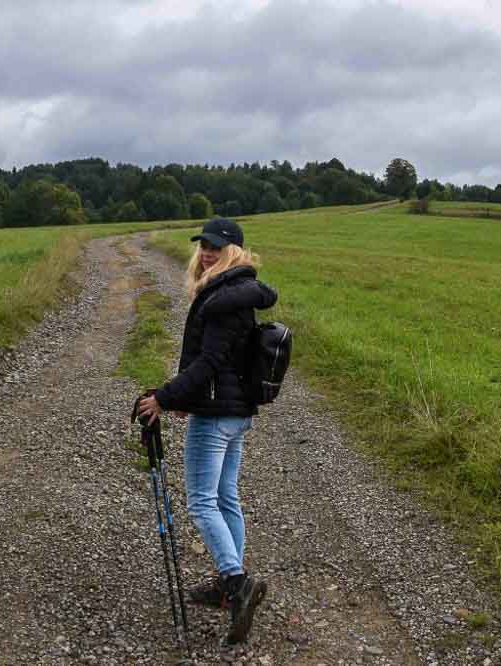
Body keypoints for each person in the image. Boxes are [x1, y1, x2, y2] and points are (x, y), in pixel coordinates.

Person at [136, 217, 277, 645]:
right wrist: (185, 398)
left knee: (201, 501)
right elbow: (223, 366)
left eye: (216, 247)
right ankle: (228, 584)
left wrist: (163, 397)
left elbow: (209, 364)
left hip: (216, 418)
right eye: (204, 246)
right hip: (235, 413)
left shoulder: (219, 300)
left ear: (233, 251)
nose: (207, 253)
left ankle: (236, 582)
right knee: (224, 496)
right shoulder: (238, 293)